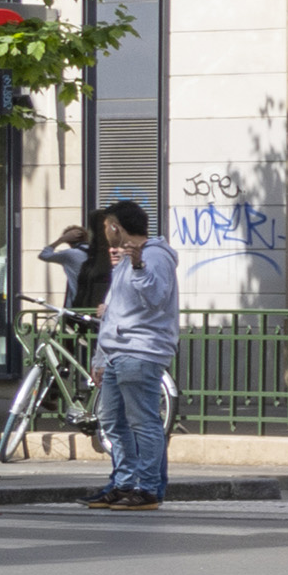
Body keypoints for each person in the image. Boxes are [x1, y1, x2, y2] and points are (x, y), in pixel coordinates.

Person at [81, 197, 176, 512]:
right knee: (111, 419)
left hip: (140, 351)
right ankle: (123, 483)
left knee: (143, 421)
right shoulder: (123, 261)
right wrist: (99, 358)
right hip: (116, 353)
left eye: (106, 226)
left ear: (115, 227)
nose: (105, 233)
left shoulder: (155, 257)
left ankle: (148, 488)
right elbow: (112, 313)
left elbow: (157, 298)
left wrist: (137, 266)